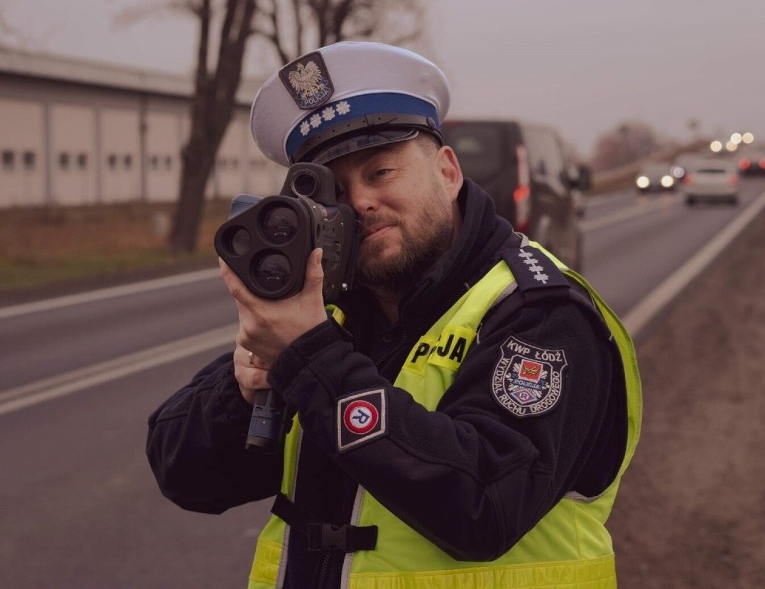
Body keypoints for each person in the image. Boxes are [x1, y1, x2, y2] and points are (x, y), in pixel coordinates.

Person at [147, 41, 642, 589]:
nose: (359, 202)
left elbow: (483, 506)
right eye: (336, 188)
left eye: (380, 172)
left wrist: (312, 359)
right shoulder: (330, 311)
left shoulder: (540, 312)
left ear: (447, 171)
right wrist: (243, 392)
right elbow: (184, 476)